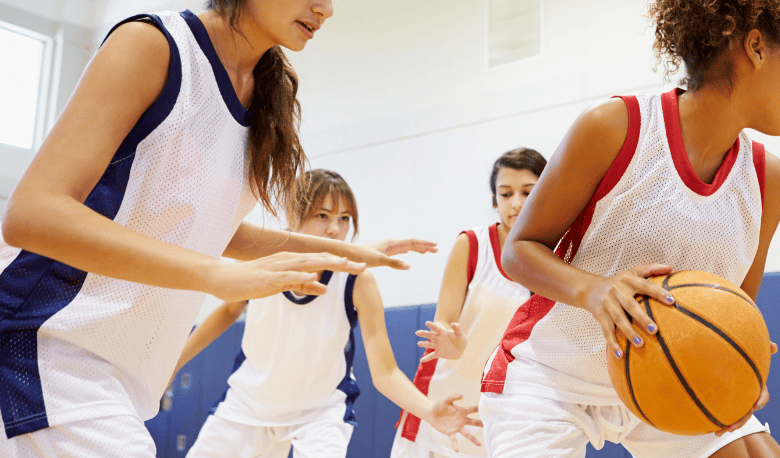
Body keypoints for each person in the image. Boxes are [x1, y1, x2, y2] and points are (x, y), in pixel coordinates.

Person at [0, 1, 431, 455]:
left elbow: (213, 229)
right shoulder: (153, 46)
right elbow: (33, 214)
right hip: (44, 346)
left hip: (116, 373)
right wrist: (214, 274)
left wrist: (348, 254)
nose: (325, 9)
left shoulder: (270, 91)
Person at [476, 1, 780, 456]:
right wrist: (594, 291)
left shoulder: (768, 179)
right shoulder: (617, 128)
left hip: (667, 376)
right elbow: (518, 251)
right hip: (553, 376)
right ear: (755, 47)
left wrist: (740, 361)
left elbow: (736, 303)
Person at [176, 170, 480, 457]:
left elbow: (385, 372)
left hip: (320, 413)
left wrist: (427, 410)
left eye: (344, 218)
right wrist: (174, 364)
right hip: (247, 404)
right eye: (322, 216)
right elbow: (227, 309)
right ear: (294, 214)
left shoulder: (357, 281)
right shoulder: (264, 257)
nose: (335, 229)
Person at [392, 148, 546, 457]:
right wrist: (452, 344)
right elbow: (444, 324)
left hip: (502, 405)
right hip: (444, 393)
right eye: (506, 194)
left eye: (527, 192)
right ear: (494, 200)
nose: (516, 203)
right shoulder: (472, 245)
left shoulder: (550, 256)